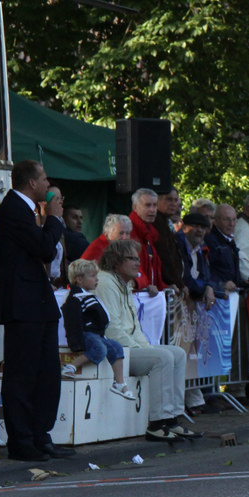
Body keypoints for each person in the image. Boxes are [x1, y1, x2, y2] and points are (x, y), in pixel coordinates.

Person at [0, 160, 76, 461]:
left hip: (38, 303)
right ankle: (21, 440)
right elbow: (43, 248)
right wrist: (53, 219)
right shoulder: (13, 210)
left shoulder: (26, 210)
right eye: (44, 178)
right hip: (22, 304)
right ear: (31, 183)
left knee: (47, 374)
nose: (48, 183)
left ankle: (41, 434)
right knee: (23, 374)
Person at [95, 239, 197, 442]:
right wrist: (139, 349)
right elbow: (112, 327)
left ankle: (173, 418)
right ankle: (157, 423)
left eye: (137, 258)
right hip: (115, 351)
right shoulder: (106, 283)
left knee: (177, 353)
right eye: (132, 259)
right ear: (116, 261)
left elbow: (135, 326)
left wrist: (146, 347)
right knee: (162, 358)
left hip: (127, 347)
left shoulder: (123, 283)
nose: (138, 263)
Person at [60, 258, 136, 401]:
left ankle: (119, 383)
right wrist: (75, 341)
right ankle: (70, 366)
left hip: (98, 334)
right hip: (86, 334)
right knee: (99, 350)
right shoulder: (74, 298)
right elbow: (72, 321)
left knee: (116, 347)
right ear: (79, 280)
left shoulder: (87, 295)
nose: (97, 279)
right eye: (92, 276)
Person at [127, 188, 166, 296]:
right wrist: (144, 284)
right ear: (135, 207)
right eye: (147, 205)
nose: (152, 210)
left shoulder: (149, 234)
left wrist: (164, 287)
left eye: (155, 205)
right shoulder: (128, 232)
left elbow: (153, 272)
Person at [205, 203, 242, 293]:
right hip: (217, 293)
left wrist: (242, 282)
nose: (231, 224)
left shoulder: (230, 240)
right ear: (216, 221)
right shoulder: (210, 240)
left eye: (234, 219)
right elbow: (207, 268)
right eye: (226, 219)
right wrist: (221, 283)